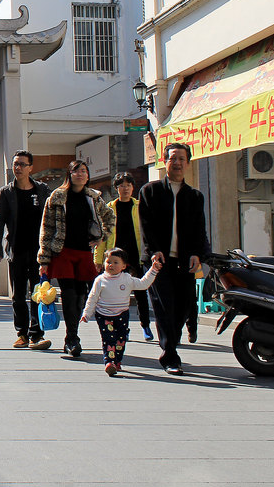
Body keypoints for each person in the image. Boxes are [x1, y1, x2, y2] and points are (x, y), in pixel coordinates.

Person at [139, 142, 210, 376]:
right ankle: (170, 355)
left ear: (188, 163)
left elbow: (200, 229)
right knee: (164, 307)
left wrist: (199, 254)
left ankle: (171, 342)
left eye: (181, 158)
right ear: (164, 161)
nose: (177, 162)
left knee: (182, 308)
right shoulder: (150, 191)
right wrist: (154, 250)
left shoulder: (194, 196)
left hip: (185, 262)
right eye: (172, 158)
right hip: (159, 262)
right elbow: (146, 226)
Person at [37, 160, 114, 358]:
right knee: (69, 295)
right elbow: (47, 229)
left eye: (84, 171)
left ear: (88, 176)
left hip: (84, 252)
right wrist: (44, 259)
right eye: (76, 171)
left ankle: (73, 335)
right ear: (69, 174)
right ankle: (72, 339)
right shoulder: (57, 196)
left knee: (81, 296)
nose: (80, 174)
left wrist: (102, 236)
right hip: (63, 252)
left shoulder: (93, 197)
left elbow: (110, 217)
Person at [0, 150, 53, 349]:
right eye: (15, 164)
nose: (17, 168)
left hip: (38, 251)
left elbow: (51, 219)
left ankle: (36, 333)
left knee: (38, 292)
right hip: (16, 249)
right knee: (18, 294)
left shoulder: (42, 190)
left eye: (22, 164)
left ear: (30, 168)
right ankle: (22, 333)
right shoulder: (7, 192)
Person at [82, 248, 163, 376]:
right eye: (108, 262)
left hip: (122, 314)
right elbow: (92, 298)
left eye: (115, 262)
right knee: (108, 339)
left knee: (120, 340)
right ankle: (109, 362)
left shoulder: (127, 279)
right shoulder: (100, 280)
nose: (111, 265)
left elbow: (143, 284)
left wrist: (153, 270)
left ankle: (117, 361)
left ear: (123, 266)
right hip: (103, 315)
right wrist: (86, 313)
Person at [94, 172, 154, 342]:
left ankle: (145, 325)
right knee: (118, 294)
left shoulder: (140, 206)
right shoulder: (109, 208)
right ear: (116, 188)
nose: (125, 188)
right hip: (116, 257)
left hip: (136, 255)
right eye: (121, 185)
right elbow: (102, 236)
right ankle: (123, 327)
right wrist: (98, 259)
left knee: (141, 291)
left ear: (133, 187)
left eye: (128, 185)